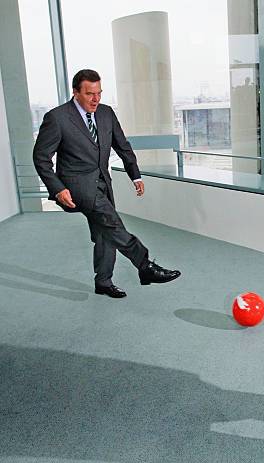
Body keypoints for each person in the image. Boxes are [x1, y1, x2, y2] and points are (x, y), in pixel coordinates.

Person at [33, 69, 181, 298]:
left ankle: (103, 282)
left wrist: (135, 175)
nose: (96, 99)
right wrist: (58, 188)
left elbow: (122, 145)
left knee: (104, 233)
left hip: (103, 182)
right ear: (75, 92)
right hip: (77, 186)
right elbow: (41, 157)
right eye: (90, 94)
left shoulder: (106, 113)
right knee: (112, 223)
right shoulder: (57, 117)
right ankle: (145, 266)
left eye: (99, 93)